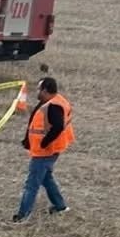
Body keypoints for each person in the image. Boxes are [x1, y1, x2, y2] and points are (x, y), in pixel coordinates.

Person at [13, 77, 74, 221]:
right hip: (49, 149)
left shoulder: (53, 106)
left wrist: (45, 143)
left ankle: (22, 216)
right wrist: (28, 139)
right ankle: (60, 206)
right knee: (46, 178)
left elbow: (58, 126)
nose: (37, 91)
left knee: (32, 184)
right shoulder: (51, 101)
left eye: (39, 89)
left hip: (46, 151)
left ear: (45, 90)